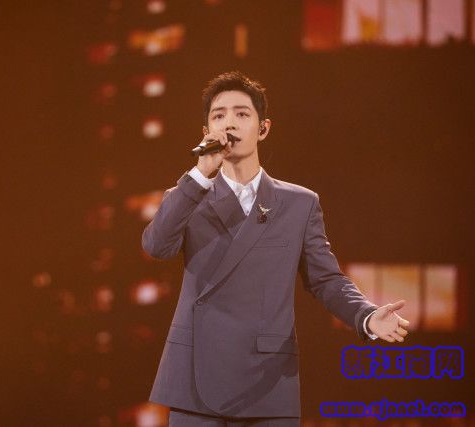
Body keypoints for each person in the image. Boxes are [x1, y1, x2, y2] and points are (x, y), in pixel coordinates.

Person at [142, 71, 410, 427]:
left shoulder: (299, 203)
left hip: (266, 382)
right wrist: (200, 175)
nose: (229, 124)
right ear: (206, 131)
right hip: (195, 380)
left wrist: (366, 316)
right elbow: (156, 246)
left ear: (263, 128)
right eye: (219, 116)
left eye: (242, 114)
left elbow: (325, 279)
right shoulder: (188, 196)